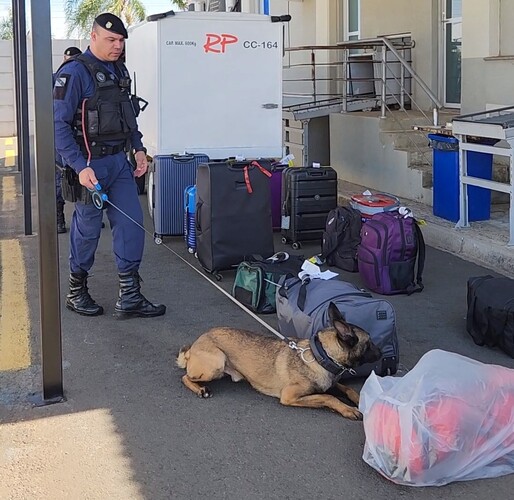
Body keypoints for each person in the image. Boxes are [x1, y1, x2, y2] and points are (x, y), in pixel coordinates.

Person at [53, 13, 166, 319]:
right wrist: (78, 166)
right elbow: (58, 126)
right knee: (87, 230)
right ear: (93, 37)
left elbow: (127, 114)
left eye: (120, 41)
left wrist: (139, 148)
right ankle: (77, 291)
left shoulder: (118, 69)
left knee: (131, 227)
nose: (118, 46)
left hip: (119, 163)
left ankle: (129, 295)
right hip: (90, 166)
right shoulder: (74, 73)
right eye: (111, 40)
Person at [55, 46, 82, 233]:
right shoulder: (58, 79)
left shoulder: (83, 77)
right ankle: (59, 216)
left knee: (84, 177)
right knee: (62, 178)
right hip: (63, 137)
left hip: (80, 137)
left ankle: (86, 214)